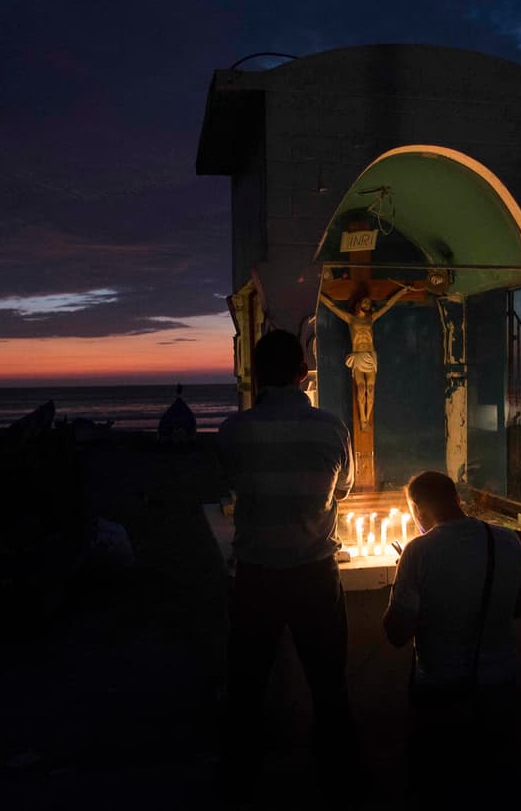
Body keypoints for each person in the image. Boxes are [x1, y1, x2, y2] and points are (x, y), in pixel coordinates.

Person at [216, 329, 359, 803]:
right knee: (329, 685)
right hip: (315, 575)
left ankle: (244, 781)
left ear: (257, 375)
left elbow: (232, 487)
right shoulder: (333, 427)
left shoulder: (233, 431)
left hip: (255, 575)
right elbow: (342, 492)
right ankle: (337, 781)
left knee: (246, 686)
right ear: (304, 374)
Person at [382, 471, 521, 804]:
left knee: (439, 786)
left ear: (417, 509)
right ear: (456, 499)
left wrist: (409, 587)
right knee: (496, 785)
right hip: (500, 685)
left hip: (440, 692)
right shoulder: (506, 541)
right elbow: (518, 608)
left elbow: (396, 633)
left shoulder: (419, 552)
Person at [317, 281, 407, 429]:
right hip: (358, 355)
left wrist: (401, 293)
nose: (367, 303)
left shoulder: (370, 318)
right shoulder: (350, 319)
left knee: (370, 389)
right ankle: (363, 419)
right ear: (359, 303)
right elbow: (332, 306)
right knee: (360, 388)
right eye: (365, 301)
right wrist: (319, 294)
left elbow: (387, 306)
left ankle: (367, 416)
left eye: (368, 302)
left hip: (370, 355)